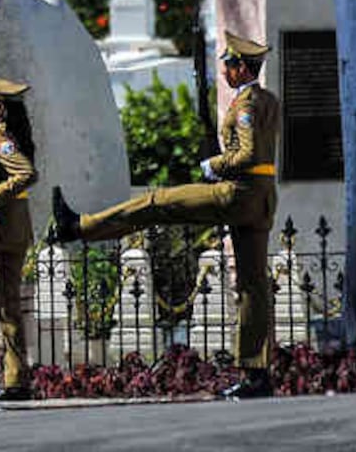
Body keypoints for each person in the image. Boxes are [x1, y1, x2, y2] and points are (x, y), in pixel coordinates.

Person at [51, 31, 281, 400]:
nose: (223, 70)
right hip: (262, 197)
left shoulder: (248, 105)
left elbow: (248, 154)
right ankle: (257, 373)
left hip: (237, 193)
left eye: (227, 64)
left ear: (240, 68)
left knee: (158, 202)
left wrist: (213, 165)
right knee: (252, 285)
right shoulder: (267, 99)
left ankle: (81, 226)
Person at [0, 77, 38, 402]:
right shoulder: (18, 135)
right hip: (18, 229)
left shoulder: (2, 137)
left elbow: (26, 174)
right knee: (8, 306)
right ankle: (16, 380)